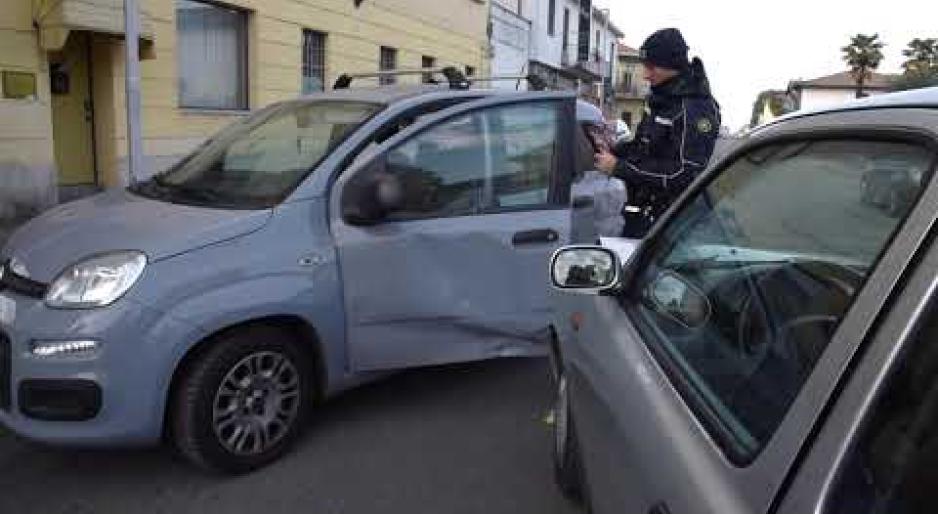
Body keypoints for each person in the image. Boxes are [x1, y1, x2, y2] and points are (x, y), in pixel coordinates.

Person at [594, 28, 721, 237]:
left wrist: (619, 167)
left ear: (673, 65)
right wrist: (613, 150)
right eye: (645, 66)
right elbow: (644, 147)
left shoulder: (695, 108)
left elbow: (685, 173)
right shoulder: (662, 100)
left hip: (675, 224)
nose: (645, 74)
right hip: (645, 215)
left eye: (652, 67)